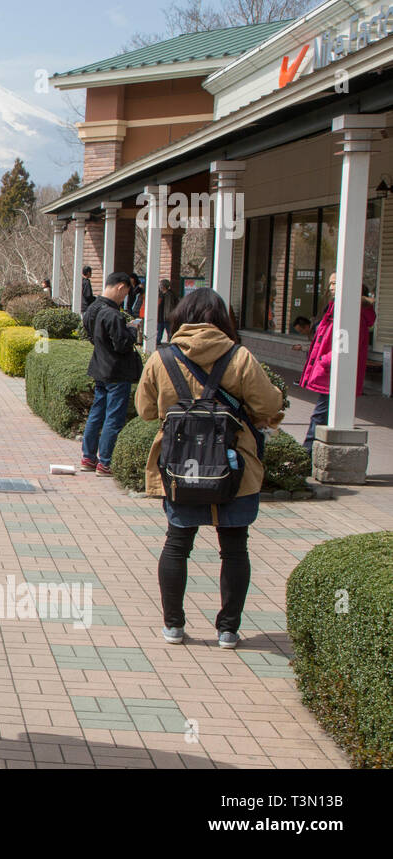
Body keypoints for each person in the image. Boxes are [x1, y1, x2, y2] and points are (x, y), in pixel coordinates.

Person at [135, 287, 284, 649]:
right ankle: (228, 630)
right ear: (222, 319)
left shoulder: (161, 358)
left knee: (176, 544)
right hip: (234, 468)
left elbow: (145, 410)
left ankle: (173, 626)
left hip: (180, 468)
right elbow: (268, 405)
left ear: (180, 318)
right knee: (235, 548)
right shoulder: (240, 357)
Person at [300, 275, 377, 452]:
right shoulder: (337, 308)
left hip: (334, 373)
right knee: (321, 416)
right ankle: (307, 455)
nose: (331, 287)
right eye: (330, 283)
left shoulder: (352, 313)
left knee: (319, 416)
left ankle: (305, 456)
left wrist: (324, 361)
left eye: (335, 283)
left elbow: (347, 345)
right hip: (330, 371)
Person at [80, 271, 143, 476]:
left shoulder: (92, 310)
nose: (124, 297)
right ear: (120, 287)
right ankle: (105, 462)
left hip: (100, 368)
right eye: (125, 293)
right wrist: (132, 331)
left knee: (97, 413)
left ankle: (88, 457)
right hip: (117, 372)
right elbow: (122, 344)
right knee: (113, 417)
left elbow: (93, 338)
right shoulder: (112, 314)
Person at [156, 279, 176, 344]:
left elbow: (170, 306)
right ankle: (158, 342)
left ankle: (171, 342)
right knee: (159, 332)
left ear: (164, 286)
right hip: (161, 317)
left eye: (161, 285)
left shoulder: (169, 295)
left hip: (167, 317)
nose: (160, 287)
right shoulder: (160, 294)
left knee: (169, 332)